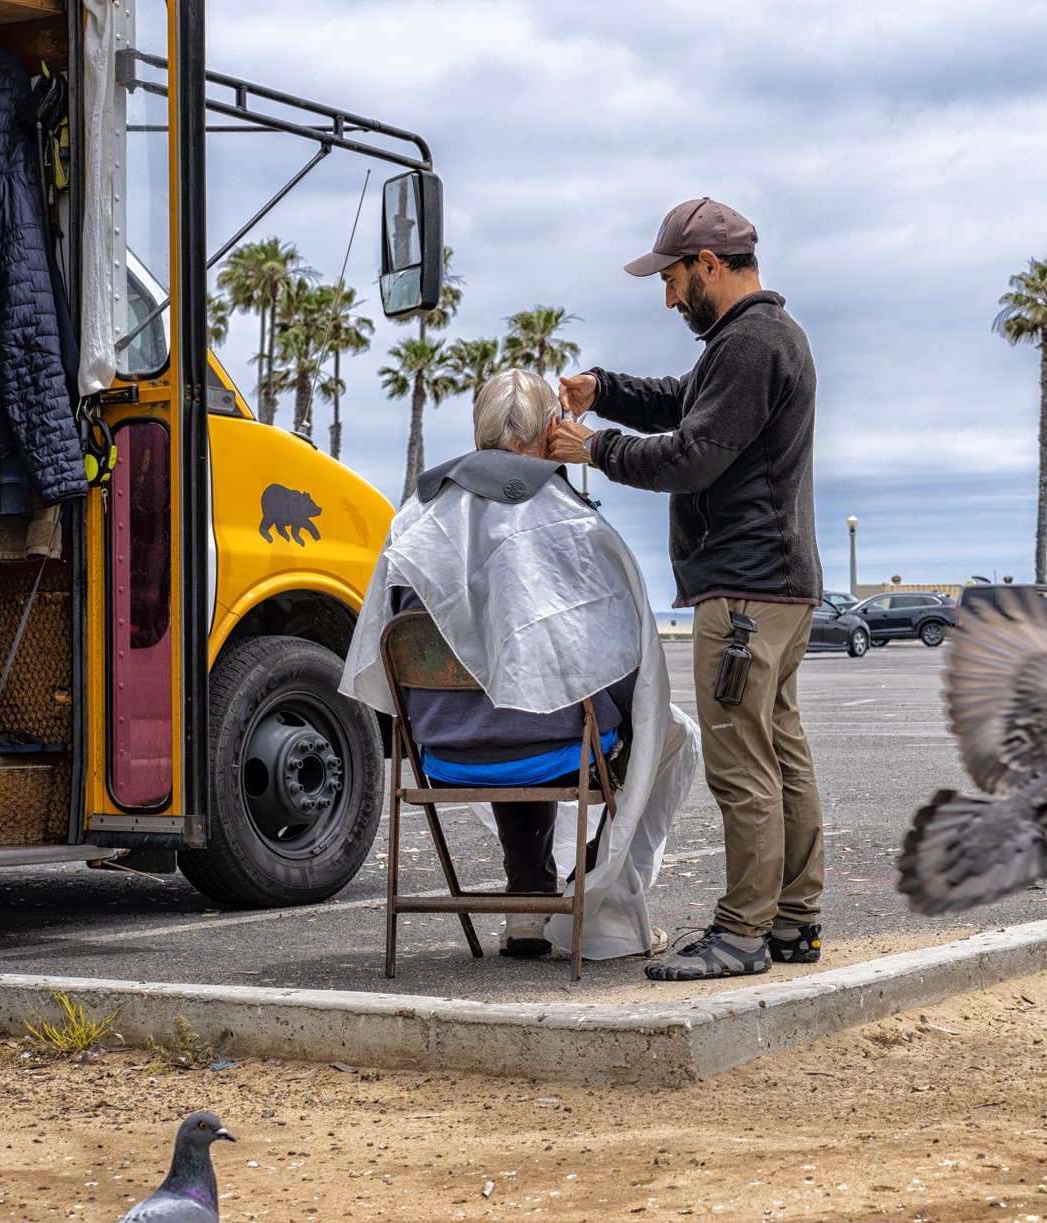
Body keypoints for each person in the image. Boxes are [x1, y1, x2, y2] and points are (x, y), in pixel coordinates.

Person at [541, 198, 825, 982]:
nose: (668, 299)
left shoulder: (752, 343)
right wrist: (603, 388)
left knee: (742, 764)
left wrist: (595, 449)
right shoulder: (753, 340)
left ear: (708, 264)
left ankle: (742, 932)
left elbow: (691, 456)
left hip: (744, 590)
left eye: (671, 280)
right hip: (779, 587)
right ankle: (793, 921)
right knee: (781, 754)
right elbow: (680, 400)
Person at [341, 370, 698, 962]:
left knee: (514, 707)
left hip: (443, 751)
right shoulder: (573, 523)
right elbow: (626, 664)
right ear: (550, 431)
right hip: (559, 747)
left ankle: (527, 904)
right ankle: (592, 895)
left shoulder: (415, 521)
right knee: (660, 730)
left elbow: (384, 638)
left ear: (476, 433)